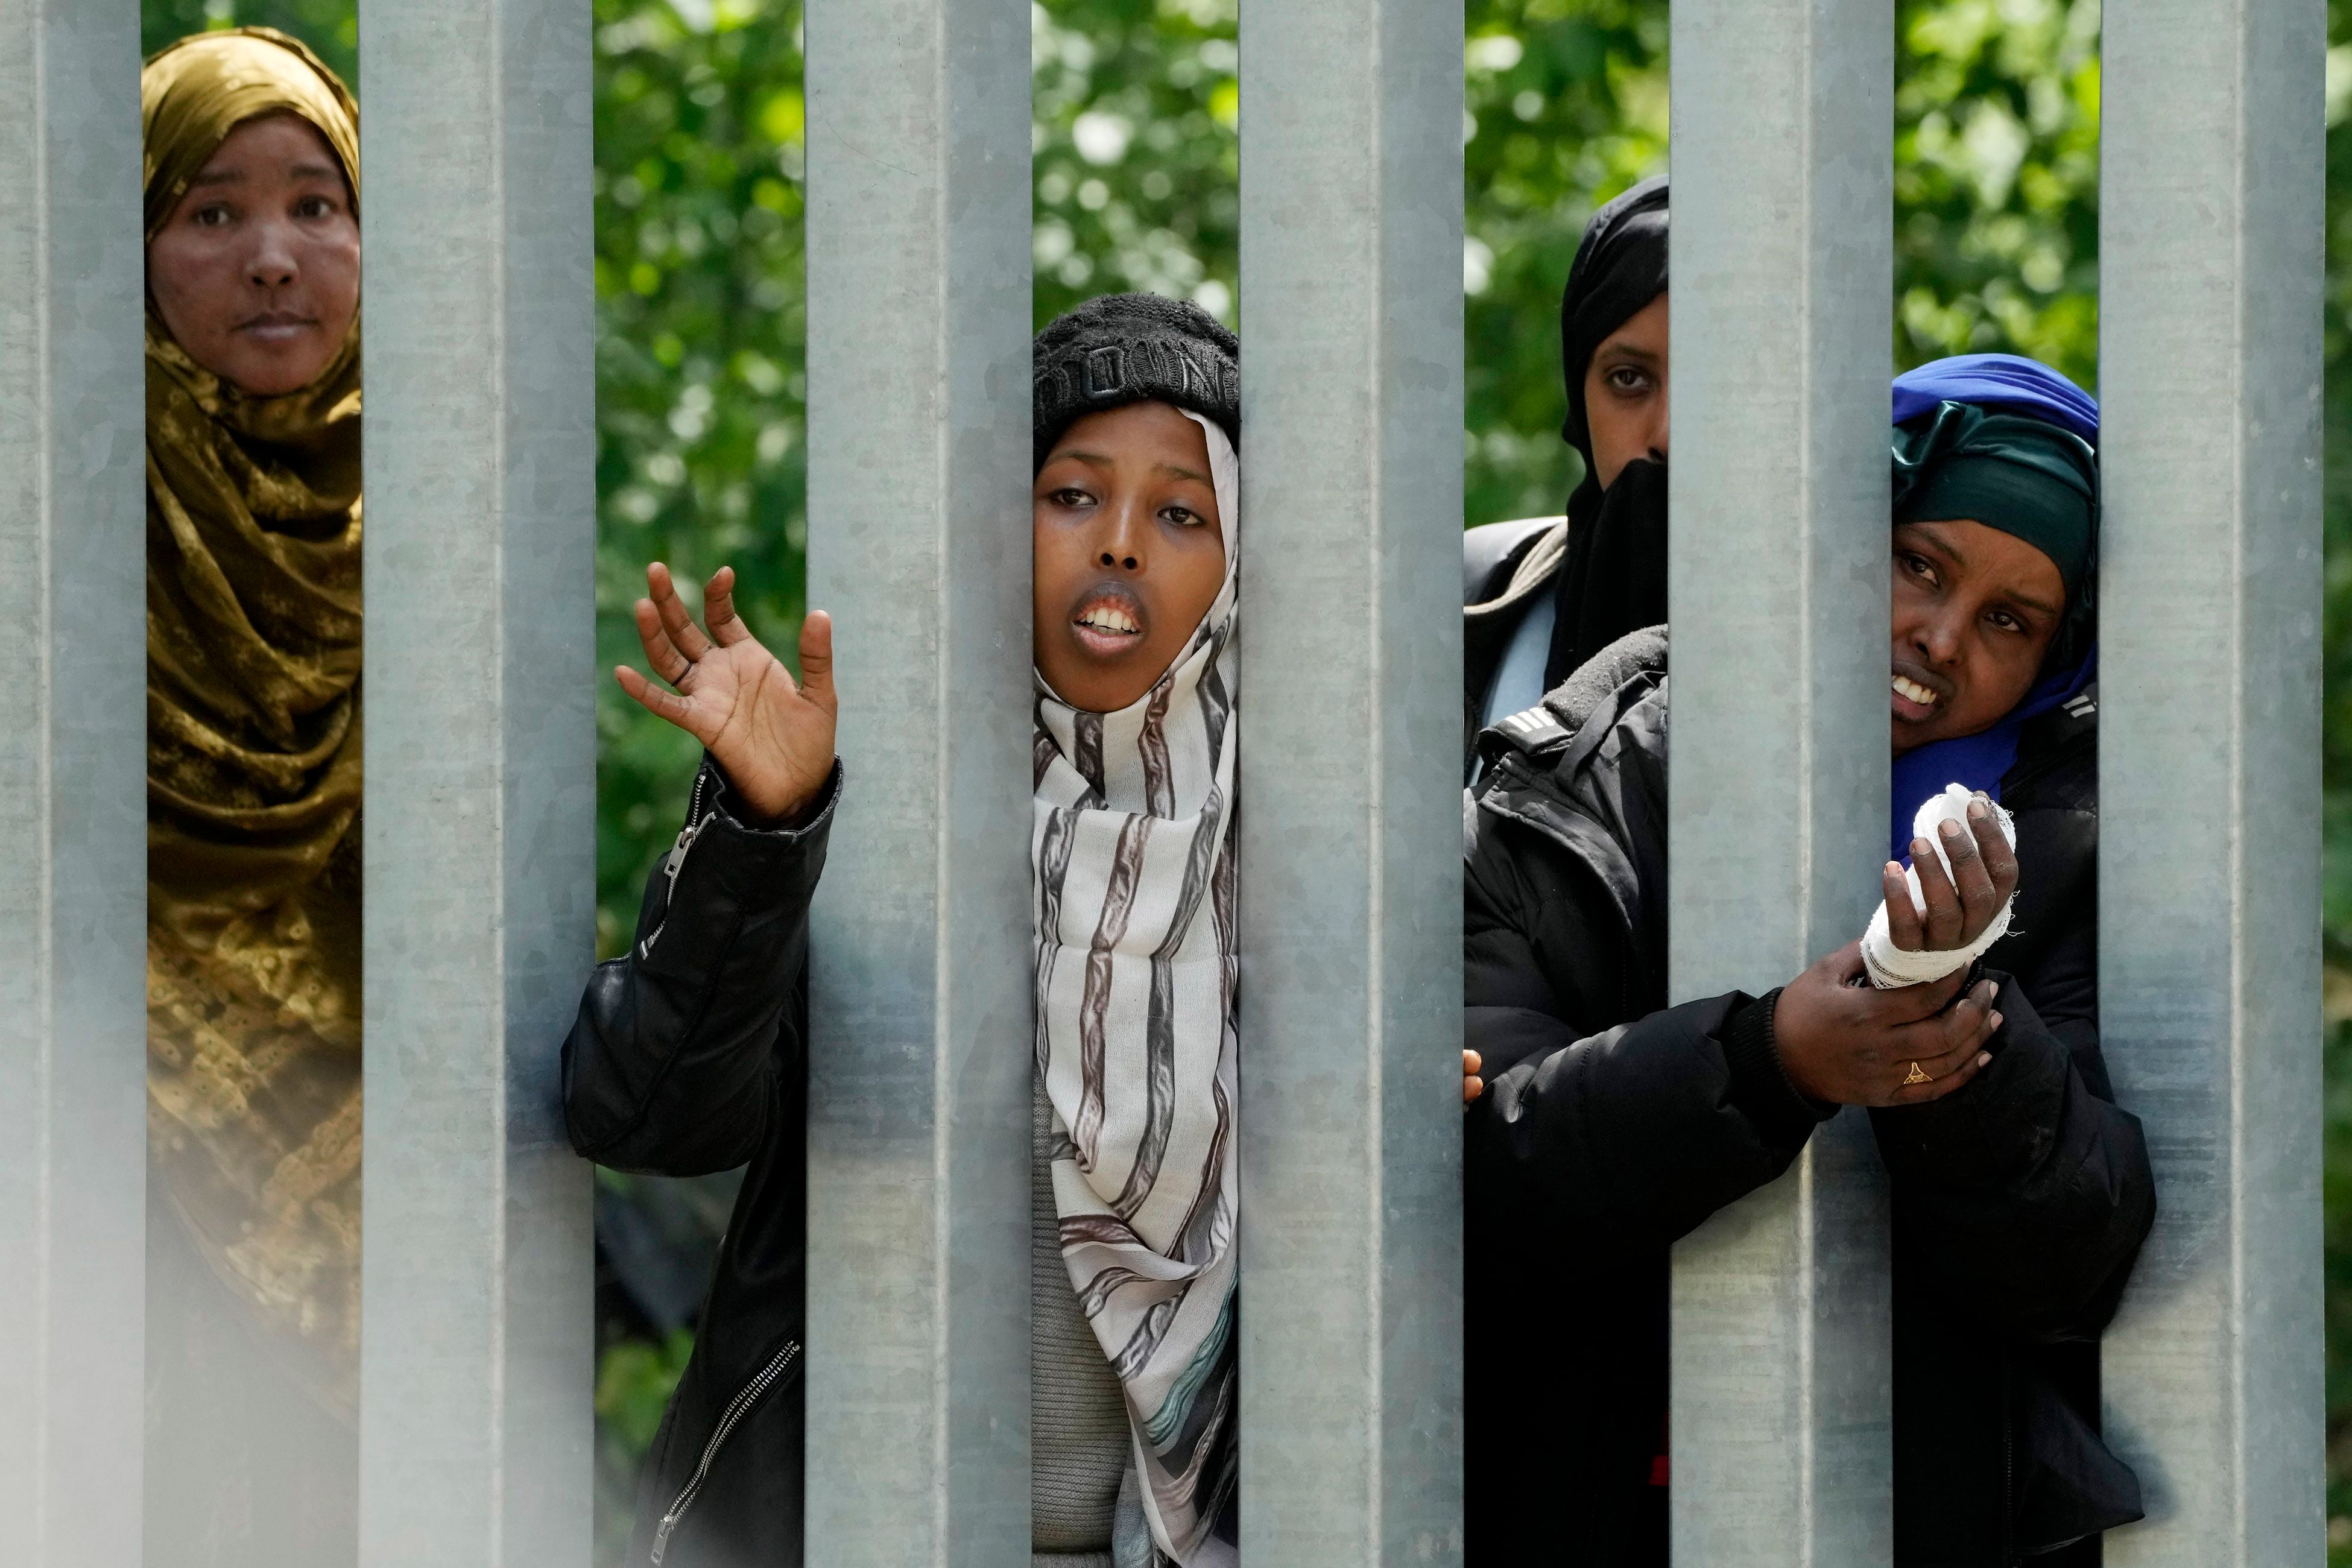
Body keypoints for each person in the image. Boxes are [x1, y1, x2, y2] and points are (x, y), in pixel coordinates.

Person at [562, 293, 1242, 1567]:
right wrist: (767, 831)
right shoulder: (876, 835)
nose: (1123, 546)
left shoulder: (1318, 868)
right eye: (1073, 495)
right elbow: (641, 1113)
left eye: (1183, 512)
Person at [1459, 354, 2155, 1567]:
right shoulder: (1603, 764)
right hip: (1585, 1497)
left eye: (2008, 621)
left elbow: (2075, 1260)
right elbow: (1483, 1163)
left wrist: (1960, 1043)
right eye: (1918, 563)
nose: (1938, 637)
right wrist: (1768, 1058)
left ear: (2058, 661)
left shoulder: (2080, 845)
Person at [139, 28, 365, 1566]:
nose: (274, 257)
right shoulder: (57, 506)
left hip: (399, 1197)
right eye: (212, 211)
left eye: (315, 205)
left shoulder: (440, 506)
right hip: (111, 1196)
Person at [1462, 175, 1668, 773]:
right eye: (1629, 379)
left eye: (1716, 379)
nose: (1667, 435)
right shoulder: (1486, 597)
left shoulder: (1876, 631)